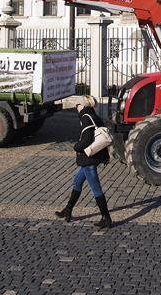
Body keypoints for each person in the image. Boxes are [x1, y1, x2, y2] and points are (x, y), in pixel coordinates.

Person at [54, 95, 112, 229]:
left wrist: (76, 147)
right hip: (95, 156)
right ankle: (67, 210)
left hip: (89, 158)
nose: (76, 108)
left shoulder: (86, 118)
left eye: (76, 105)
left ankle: (106, 218)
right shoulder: (93, 115)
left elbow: (86, 140)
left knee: (96, 188)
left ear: (81, 106)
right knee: (77, 181)